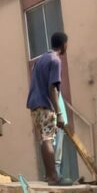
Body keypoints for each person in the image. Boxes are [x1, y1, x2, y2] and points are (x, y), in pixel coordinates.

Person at [26, 32, 69, 184]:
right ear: (64, 44)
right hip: (45, 105)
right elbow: (52, 88)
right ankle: (53, 176)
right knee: (48, 139)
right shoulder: (55, 60)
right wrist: (59, 112)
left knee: (44, 139)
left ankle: (49, 175)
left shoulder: (41, 59)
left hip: (34, 106)